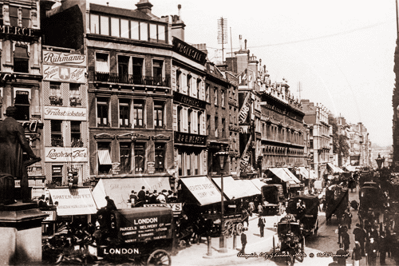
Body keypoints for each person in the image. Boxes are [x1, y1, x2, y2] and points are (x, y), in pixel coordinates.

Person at [0, 106, 41, 203]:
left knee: (5, 176)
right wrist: (33, 156)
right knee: (23, 174)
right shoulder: (17, 125)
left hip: (1, 154)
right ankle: (25, 198)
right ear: (15, 114)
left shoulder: (0, 125)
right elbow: (24, 143)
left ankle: (6, 199)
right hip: (13, 154)